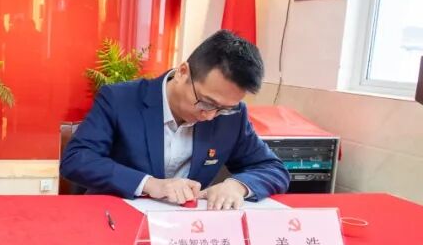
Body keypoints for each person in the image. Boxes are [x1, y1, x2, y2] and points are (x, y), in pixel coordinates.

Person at [60, 30, 289, 209]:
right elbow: (77, 159)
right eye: (206, 102)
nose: (211, 115)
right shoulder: (120, 99)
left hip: (183, 231)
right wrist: (150, 184)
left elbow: (273, 168)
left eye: (223, 109)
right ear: (182, 72)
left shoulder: (233, 116)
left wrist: (237, 186)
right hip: (115, 220)